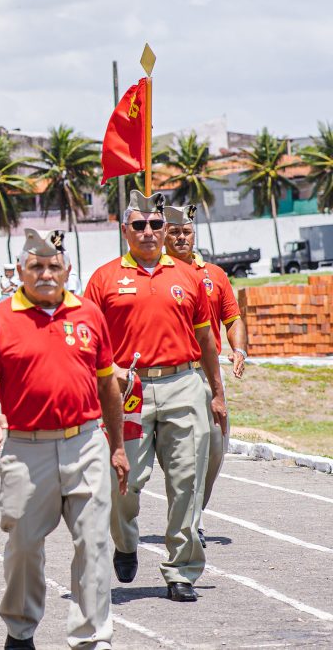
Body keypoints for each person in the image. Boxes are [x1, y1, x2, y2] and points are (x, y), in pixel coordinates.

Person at [0, 229, 130, 650]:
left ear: (67, 270)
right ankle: (20, 631)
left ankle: (91, 638)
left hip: (85, 443)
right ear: (21, 269)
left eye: (53, 266)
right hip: (25, 449)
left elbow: (108, 387)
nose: (45, 273)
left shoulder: (89, 315)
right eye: (36, 266)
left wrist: (116, 446)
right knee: (23, 545)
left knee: (95, 541)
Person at [84, 191, 226, 603]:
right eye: (140, 225)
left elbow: (206, 339)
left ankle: (181, 570)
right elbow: (90, 340)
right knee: (122, 482)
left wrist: (216, 393)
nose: (149, 232)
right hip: (129, 390)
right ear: (125, 229)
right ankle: (125, 543)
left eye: (156, 225)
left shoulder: (187, 277)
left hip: (184, 383)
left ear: (165, 229)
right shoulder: (104, 278)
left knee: (187, 482)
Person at [163, 204, 247, 547]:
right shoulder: (154, 276)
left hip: (205, 374)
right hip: (165, 376)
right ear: (162, 234)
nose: (181, 237)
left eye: (186, 232)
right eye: (174, 232)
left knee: (214, 449)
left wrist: (239, 350)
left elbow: (233, 318)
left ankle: (193, 516)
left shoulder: (214, 274)